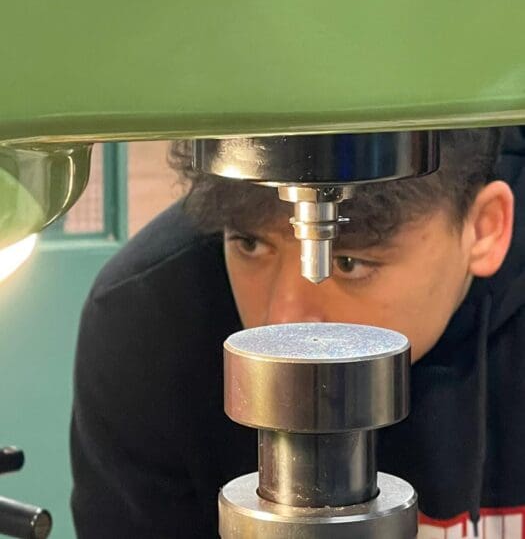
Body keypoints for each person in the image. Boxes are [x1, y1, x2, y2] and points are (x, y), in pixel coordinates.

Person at [70, 127, 525, 539]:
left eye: (350, 263)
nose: (284, 318)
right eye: (250, 244)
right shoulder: (146, 323)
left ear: (484, 228)